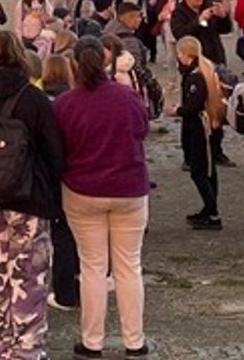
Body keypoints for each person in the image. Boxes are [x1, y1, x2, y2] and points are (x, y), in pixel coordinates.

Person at [0, 30, 65, 360]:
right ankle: (28, 350)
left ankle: (0, 348)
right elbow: (55, 153)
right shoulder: (33, 99)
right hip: (28, 201)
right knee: (29, 280)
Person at [51, 36, 148, 360]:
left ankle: (92, 341)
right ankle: (135, 341)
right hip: (128, 187)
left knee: (92, 267)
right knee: (128, 266)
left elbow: (58, 146)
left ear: (75, 64)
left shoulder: (65, 103)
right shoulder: (128, 96)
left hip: (83, 189)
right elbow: (142, 130)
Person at [175, 36, 224, 229]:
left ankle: (212, 212)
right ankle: (210, 208)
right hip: (208, 126)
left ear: (185, 54)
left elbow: (193, 106)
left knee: (199, 171)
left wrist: (177, 111)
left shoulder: (195, 76)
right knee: (208, 170)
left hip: (199, 128)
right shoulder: (206, 70)